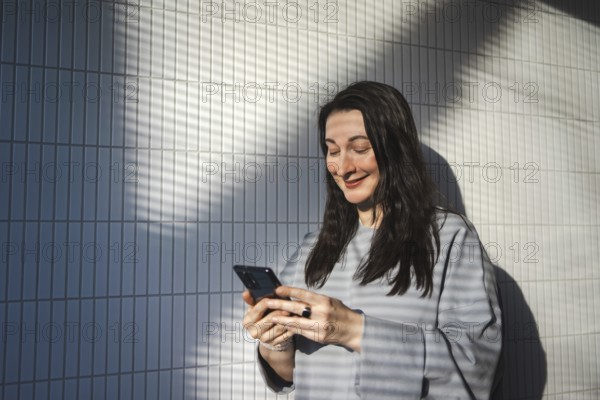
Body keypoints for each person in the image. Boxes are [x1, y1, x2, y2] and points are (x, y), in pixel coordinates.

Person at [242, 81, 502, 399]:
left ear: (395, 149)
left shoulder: (450, 238)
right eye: (333, 150)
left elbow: (475, 367)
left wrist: (354, 329)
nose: (343, 167)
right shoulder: (312, 248)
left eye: (360, 148)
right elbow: (290, 375)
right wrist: (276, 344)